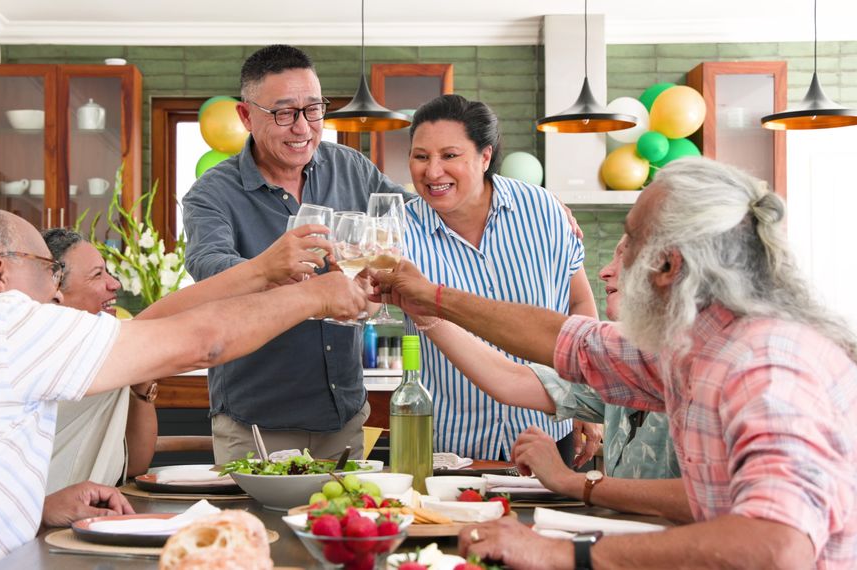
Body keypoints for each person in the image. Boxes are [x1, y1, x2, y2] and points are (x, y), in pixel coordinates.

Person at [0, 208, 365, 567]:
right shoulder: (6, 322)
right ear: (0, 273)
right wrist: (316, 295)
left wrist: (34, 510)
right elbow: (202, 340)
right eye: (48, 270)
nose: (55, 290)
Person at [376, 158, 857, 568]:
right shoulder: (695, 345)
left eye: (630, 242)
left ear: (667, 267)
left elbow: (776, 546)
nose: (611, 263)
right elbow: (567, 340)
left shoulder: (765, 369)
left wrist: (569, 555)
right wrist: (433, 298)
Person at [182, 44, 405, 463]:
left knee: (341, 525)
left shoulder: (351, 168)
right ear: (247, 117)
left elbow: (411, 217)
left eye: (314, 109)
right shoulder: (211, 194)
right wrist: (270, 270)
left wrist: (507, 197)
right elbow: (210, 273)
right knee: (254, 531)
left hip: (344, 416)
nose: (302, 127)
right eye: (284, 113)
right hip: (256, 422)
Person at [405, 235, 688, 522]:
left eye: (624, 257)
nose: (605, 271)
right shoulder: (625, 357)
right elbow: (510, 379)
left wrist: (569, 480)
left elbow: (704, 500)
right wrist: (425, 314)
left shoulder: (695, 364)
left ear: (672, 272)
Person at [401, 94, 601, 465]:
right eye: (421, 156)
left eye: (449, 155)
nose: (432, 172)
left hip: (546, 432)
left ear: (485, 157)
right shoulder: (397, 230)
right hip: (451, 444)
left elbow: (578, 304)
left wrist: (582, 400)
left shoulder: (543, 210)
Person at [41, 228, 157, 494]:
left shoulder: (106, 340)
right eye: (97, 275)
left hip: (99, 505)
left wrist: (142, 391)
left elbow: (135, 466)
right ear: (55, 291)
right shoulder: (68, 345)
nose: (114, 283)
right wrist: (262, 272)